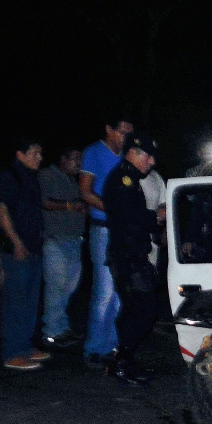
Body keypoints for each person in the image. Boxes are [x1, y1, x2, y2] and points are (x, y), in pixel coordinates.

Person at [102, 132, 161, 386]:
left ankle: (122, 360)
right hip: (127, 256)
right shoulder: (123, 180)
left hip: (131, 254)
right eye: (148, 156)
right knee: (144, 311)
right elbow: (129, 215)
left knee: (136, 310)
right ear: (134, 153)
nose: (152, 162)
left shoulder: (132, 179)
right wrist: (157, 216)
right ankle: (120, 361)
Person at [0, 138, 50, 371]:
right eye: (34, 153)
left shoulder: (31, 178)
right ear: (20, 154)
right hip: (15, 250)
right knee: (15, 302)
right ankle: (13, 352)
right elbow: (2, 210)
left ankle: (25, 347)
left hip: (34, 247)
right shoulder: (9, 177)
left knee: (30, 301)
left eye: (40, 153)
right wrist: (15, 241)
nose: (39, 157)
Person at [79, 116, 133, 366]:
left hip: (121, 229)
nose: (124, 137)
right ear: (108, 129)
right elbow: (85, 192)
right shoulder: (93, 152)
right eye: (121, 132)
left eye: (128, 133)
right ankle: (93, 347)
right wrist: (112, 209)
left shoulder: (126, 156)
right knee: (104, 291)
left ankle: (110, 345)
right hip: (102, 227)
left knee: (119, 291)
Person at [38, 146, 86, 348]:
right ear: (63, 159)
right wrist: (69, 205)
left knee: (68, 287)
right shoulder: (46, 175)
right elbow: (44, 202)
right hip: (54, 239)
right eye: (75, 159)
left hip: (74, 239)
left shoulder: (74, 181)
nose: (79, 164)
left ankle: (61, 327)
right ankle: (51, 331)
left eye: (80, 160)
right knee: (56, 286)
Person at [139, 164, 166, 268]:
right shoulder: (126, 177)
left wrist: (165, 230)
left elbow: (164, 203)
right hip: (131, 238)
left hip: (152, 238)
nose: (151, 160)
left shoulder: (156, 176)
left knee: (150, 274)